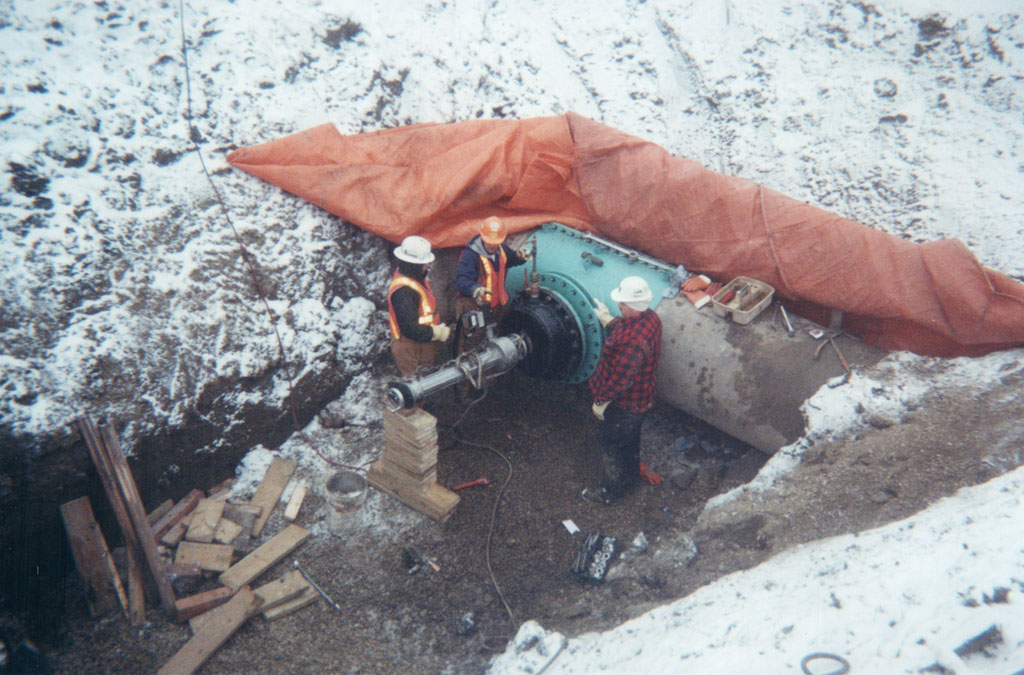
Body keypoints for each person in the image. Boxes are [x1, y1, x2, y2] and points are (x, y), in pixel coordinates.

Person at [583, 275, 663, 505]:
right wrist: (609, 321)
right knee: (629, 441)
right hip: (641, 399)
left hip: (625, 405)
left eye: (623, 303)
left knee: (612, 444)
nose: (619, 305)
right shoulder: (651, 317)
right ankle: (632, 474)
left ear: (636, 306)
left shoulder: (633, 342)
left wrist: (601, 400)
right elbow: (628, 327)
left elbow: (621, 380)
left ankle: (611, 492)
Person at [453, 216, 531, 353]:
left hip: (495, 307)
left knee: (492, 339)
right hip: (475, 307)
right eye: (489, 241)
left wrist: (519, 257)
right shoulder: (471, 255)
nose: (492, 245)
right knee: (471, 343)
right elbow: (461, 280)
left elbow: (510, 259)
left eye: (496, 242)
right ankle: (465, 362)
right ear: (482, 237)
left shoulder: (501, 249)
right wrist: (475, 289)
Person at [387, 235, 451, 376]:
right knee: (418, 383)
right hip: (410, 346)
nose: (427, 265)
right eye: (424, 263)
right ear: (413, 264)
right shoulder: (404, 292)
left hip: (423, 339)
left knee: (430, 376)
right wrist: (436, 333)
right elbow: (409, 328)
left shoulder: (416, 278)